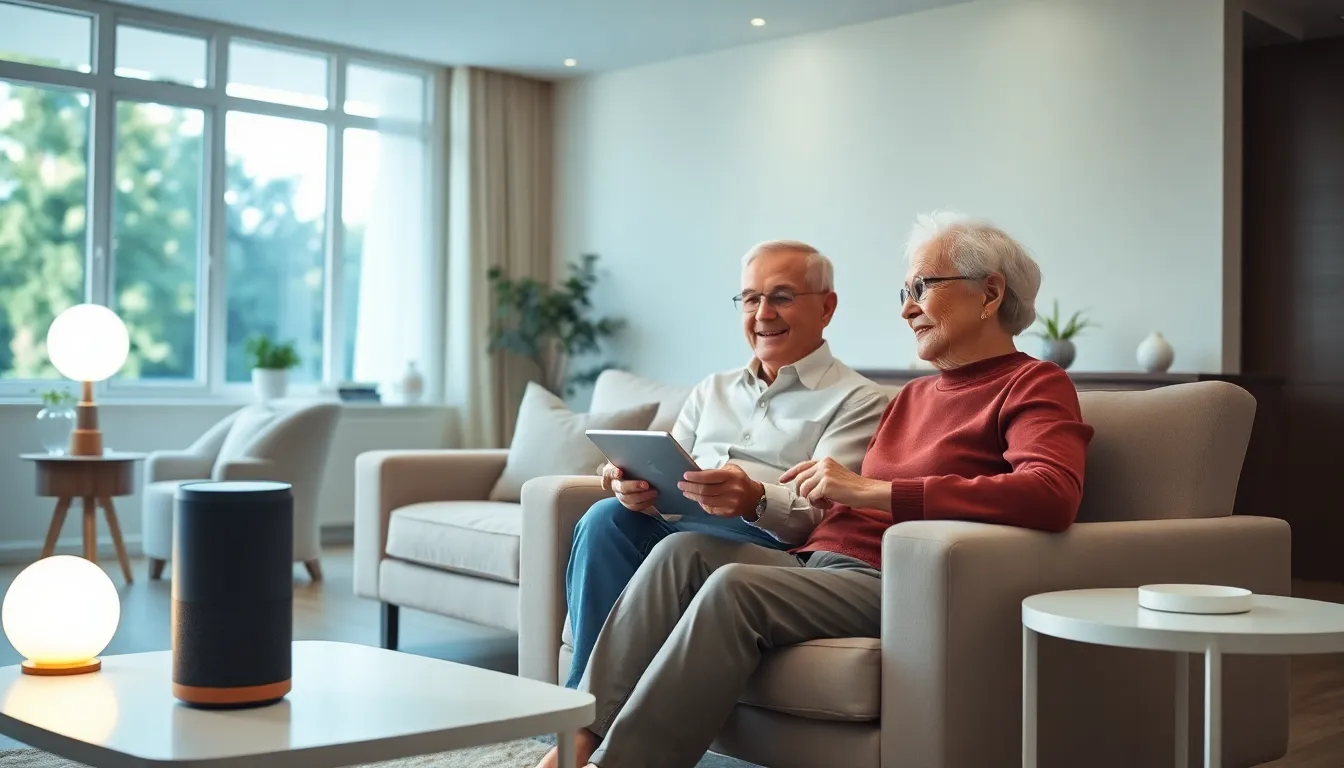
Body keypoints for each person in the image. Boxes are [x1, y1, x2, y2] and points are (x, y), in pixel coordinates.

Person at [535, 211, 1097, 768]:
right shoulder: (915, 396)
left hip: (897, 580)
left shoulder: (1035, 382)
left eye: (922, 288)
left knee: (736, 588)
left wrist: (877, 492)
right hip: (821, 563)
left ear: (990, 292)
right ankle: (578, 740)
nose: (906, 308)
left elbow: (1050, 493)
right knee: (679, 552)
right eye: (905, 291)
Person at [560, 240, 890, 693]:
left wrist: (755, 498)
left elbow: (824, 512)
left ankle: (587, 729)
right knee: (604, 517)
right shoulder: (711, 388)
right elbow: (667, 463)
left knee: (676, 545)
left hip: (769, 545)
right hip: (678, 524)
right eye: (751, 298)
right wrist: (632, 484)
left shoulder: (859, 400)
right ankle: (583, 706)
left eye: (782, 297)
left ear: (827, 307)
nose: (763, 314)